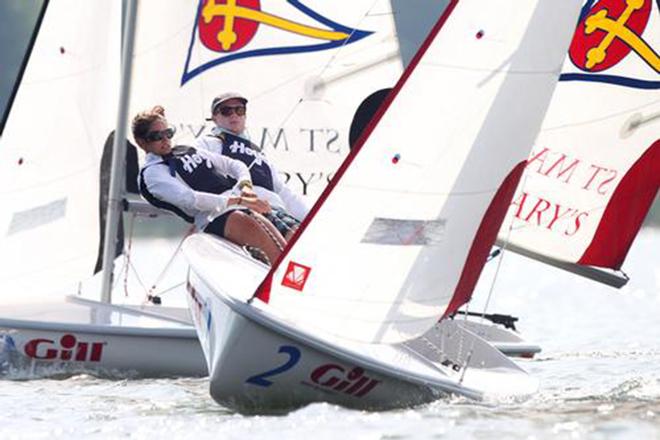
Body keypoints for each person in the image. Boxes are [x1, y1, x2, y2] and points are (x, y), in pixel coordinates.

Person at [133, 105, 286, 265]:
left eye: (168, 133)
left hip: (238, 206)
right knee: (273, 251)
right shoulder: (152, 173)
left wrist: (245, 185)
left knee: (284, 249)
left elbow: (232, 164)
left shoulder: (185, 150)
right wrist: (239, 201)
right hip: (212, 218)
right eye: (157, 136)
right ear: (141, 142)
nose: (165, 140)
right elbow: (190, 199)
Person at [195, 92, 309, 240]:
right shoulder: (207, 143)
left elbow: (282, 190)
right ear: (215, 117)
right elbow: (198, 178)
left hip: (274, 209)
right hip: (240, 210)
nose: (234, 115)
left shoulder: (258, 152)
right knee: (284, 238)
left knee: (298, 236)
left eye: (239, 110)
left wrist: (311, 218)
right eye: (226, 111)